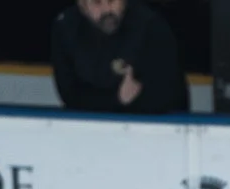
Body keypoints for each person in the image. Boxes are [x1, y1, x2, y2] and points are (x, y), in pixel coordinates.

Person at [51, 0, 187, 115]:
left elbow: (170, 96)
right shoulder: (65, 29)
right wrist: (117, 99)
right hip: (87, 129)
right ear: (82, 5)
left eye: (112, 1)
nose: (107, 10)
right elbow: (70, 95)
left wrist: (136, 98)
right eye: (97, 3)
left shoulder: (151, 26)